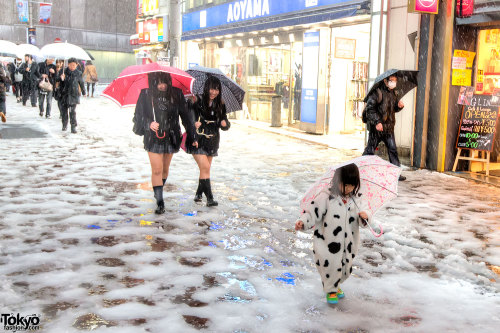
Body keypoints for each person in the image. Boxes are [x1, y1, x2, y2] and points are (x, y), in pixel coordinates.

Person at [295, 163, 369, 304]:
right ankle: (331, 290)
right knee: (330, 266)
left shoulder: (356, 199)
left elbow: (363, 216)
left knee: (346, 268)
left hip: (348, 243)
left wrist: (365, 217)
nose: (348, 189)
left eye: (352, 185)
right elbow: (312, 212)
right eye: (345, 185)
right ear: (337, 181)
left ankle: (335, 285)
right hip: (328, 242)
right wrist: (303, 222)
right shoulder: (326, 197)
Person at [133, 72, 198, 214]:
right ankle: (160, 202)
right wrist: (148, 123)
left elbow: (185, 116)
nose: (162, 86)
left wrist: (192, 135)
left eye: (165, 82)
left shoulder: (176, 93)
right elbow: (137, 116)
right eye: (158, 82)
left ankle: (158, 191)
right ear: (153, 82)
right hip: (153, 137)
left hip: (171, 135)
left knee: (164, 169)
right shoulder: (146, 94)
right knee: (156, 169)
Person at [186, 76, 230, 207]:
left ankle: (199, 193)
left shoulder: (220, 104)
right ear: (206, 88)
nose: (213, 92)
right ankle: (209, 198)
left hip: (212, 140)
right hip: (198, 139)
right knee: (205, 168)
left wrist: (224, 123)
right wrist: (194, 123)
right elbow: (188, 119)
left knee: (205, 169)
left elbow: (225, 123)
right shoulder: (196, 101)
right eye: (211, 88)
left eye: (216, 89)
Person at [362, 75, 406, 181]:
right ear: (386, 81)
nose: (394, 83)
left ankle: (396, 173)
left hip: (389, 128)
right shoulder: (377, 92)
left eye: (395, 81)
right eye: (392, 81)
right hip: (376, 129)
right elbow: (370, 109)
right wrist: (377, 122)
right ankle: (360, 169)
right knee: (370, 150)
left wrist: (399, 107)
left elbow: (392, 110)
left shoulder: (394, 93)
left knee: (393, 150)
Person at [57, 58, 86, 133]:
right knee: (64, 111)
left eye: (74, 65)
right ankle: (64, 124)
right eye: (71, 65)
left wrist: (84, 92)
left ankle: (73, 126)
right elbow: (57, 80)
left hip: (74, 94)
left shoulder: (78, 73)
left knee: (72, 111)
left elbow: (81, 83)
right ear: (68, 64)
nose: (72, 66)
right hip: (64, 94)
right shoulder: (63, 71)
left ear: (76, 65)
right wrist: (61, 78)